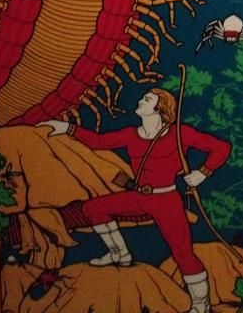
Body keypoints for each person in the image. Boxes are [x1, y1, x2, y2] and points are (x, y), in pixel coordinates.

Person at [38, 87, 231, 313]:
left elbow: (221, 148)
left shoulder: (180, 134)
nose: (140, 100)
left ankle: (201, 305)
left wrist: (203, 173)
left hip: (166, 199)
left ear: (159, 109)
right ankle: (119, 253)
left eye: (147, 99)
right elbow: (98, 141)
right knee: (93, 208)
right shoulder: (131, 134)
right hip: (138, 196)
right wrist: (67, 128)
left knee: (183, 253)